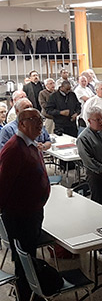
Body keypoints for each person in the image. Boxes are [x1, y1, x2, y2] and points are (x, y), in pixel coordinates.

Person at [0, 108, 51, 301]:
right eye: (34, 120)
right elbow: (3, 185)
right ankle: (25, 295)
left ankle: (31, 292)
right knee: (24, 261)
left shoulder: (30, 144)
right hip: (20, 216)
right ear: (21, 124)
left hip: (32, 212)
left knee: (29, 256)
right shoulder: (14, 149)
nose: (40, 124)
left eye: (41, 119)